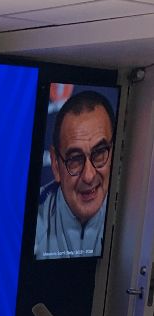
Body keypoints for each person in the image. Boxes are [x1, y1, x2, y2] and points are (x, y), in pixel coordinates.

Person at [35, 90, 114, 259]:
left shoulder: (133, 220)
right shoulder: (31, 226)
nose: (89, 176)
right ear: (56, 165)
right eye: (75, 159)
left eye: (99, 153)